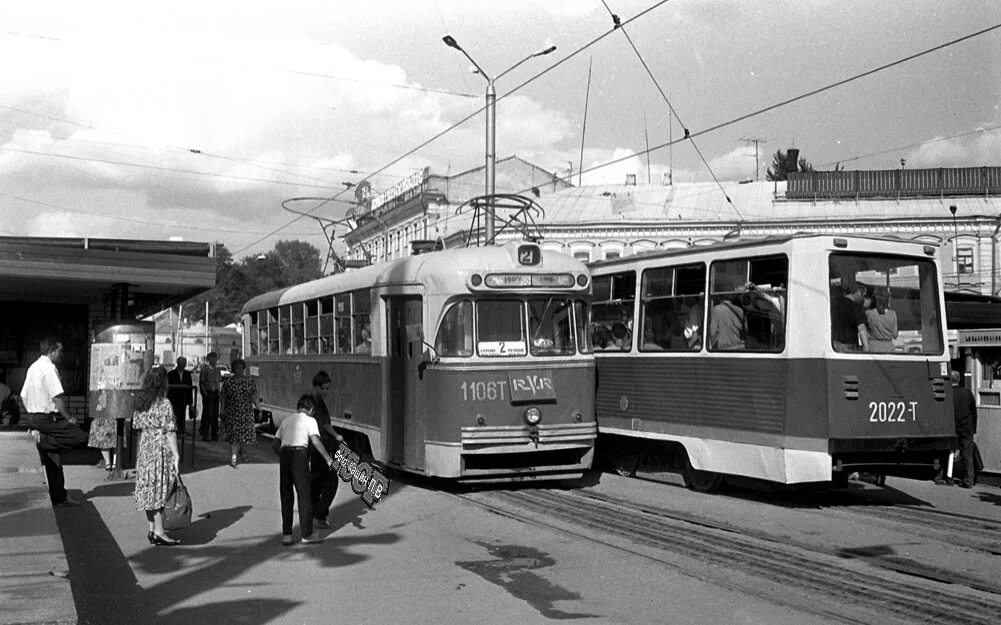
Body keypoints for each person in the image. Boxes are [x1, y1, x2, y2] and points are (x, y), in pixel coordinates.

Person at [21, 337, 89, 506]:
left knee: (54, 458)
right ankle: (44, 439)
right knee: (82, 437)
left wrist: (32, 413)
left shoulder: (32, 367)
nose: (61, 354)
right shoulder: (49, 368)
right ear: (51, 351)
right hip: (48, 417)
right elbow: (57, 396)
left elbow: (23, 395)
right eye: (59, 350)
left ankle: (59, 496)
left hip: (33, 416)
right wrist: (68, 417)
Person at [272, 394, 336, 545]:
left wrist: (285, 457)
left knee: (286, 496)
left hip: (285, 455)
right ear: (311, 409)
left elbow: (274, 444)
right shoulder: (310, 420)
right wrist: (328, 459)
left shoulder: (287, 420)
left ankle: (287, 535)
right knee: (304, 496)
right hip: (300, 455)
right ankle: (307, 535)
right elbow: (316, 441)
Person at [132, 367, 181, 546]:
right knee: (160, 489)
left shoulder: (141, 402)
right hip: (160, 448)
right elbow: (170, 432)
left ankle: (152, 529)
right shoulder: (164, 403)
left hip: (145, 447)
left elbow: (136, 425)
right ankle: (160, 532)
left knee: (148, 489)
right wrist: (176, 455)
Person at [308, 371, 345, 529]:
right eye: (323, 388)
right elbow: (321, 425)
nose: (326, 391)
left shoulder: (317, 400)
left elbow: (325, 424)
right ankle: (319, 515)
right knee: (331, 482)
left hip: (318, 446)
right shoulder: (313, 403)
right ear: (316, 387)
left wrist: (336, 435)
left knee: (317, 482)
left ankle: (316, 515)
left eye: (328, 388)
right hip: (319, 447)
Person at [219, 359, 259, 468]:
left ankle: (241, 450)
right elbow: (223, 398)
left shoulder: (249, 382)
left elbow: (253, 396)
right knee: (234, 435)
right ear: (233, 369)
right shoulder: (228, 382)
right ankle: (234, 457)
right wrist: (221, 410)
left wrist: (259, 408)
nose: (240, 370)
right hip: (232, 411)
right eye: (237, 368)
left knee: (241, 435)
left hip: (246, 412)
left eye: (242, 368)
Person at [951, 370, 978, 489]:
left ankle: (946, 476)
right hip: (966, 427)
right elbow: (973, 412)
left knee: (948, 452)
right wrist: (974, 428)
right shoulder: (967, 393)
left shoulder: (947, 393)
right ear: (959, 380)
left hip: (951, 427)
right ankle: (968, 480)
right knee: (967, 454)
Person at [832, 281, 869, 352]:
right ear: (858, 292)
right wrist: (866, 349)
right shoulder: (856, 308)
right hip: (849, 346)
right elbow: (861, 328)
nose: (863, 300)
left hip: (835, 344)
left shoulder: (836, 304)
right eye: (863, 296)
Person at [166, 357, 194, 436]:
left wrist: (190, 402)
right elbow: (169, 387)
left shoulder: (187, 374)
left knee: (182, 415)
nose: (184, 364)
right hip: (174, 399)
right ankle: (174, 431)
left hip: (183, 399)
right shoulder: (171, 374)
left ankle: (181, 431)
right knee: (174, 415)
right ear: (178, 363)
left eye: (185, 362)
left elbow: (190, 388)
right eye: (182, 362)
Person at [865, 287, 898, 353]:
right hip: (889, 346)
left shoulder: (869, 313)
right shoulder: (892, 313)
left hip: (874, 346)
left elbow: (864, 332)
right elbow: (895, 334)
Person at [198, 352, 222, 441]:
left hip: (215, 394)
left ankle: (214, 434)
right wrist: (205, 394)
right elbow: (201, 382)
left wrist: (219, 392)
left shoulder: (217, 370)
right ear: (209, 359)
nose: (215, 360)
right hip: (208, 394)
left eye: (216, 358)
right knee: (207, 414)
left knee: (215, 415)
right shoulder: (205, 369)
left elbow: (218, 382)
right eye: (213, 358)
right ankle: (205, 433)